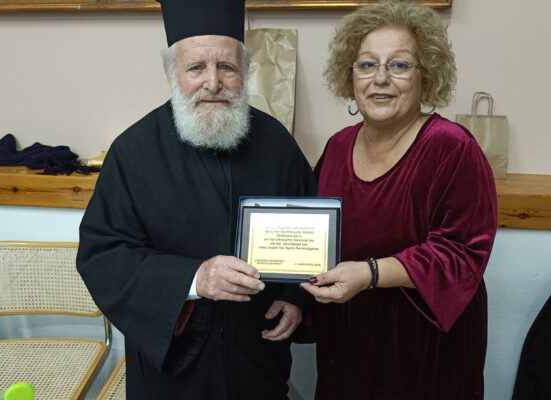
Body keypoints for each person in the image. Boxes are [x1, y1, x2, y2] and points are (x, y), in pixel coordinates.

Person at [76, 0, 316, 398]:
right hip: (173, 371)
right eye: (196, 68)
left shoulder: (277, 145)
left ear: (245, 72)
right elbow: (103, 255)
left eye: (227, 67)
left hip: (257, 357)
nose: (213, 82)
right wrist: (194, 278)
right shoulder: (133, 152)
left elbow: (309, 235)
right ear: (172, 73)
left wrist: (295, 298)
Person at [300, 2, 498, 399]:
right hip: (348, 335)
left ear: (427, 75)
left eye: (400, 65)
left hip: (424, 345)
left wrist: (370, 274)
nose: (381, 79)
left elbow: (461, 254)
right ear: (350, 76)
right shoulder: (337, 147)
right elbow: (315, 233)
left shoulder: (451, 147)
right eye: (367, 65)